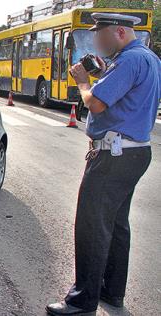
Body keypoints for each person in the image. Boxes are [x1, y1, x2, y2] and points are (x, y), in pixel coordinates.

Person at [46, 13, 161, 315]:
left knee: (92, 227)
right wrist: (99, 77)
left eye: (101, 35)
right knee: (116, 225)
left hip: (113, 156)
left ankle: (82, 302)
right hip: (133, 153)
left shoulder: (128, 61)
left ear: (119, 32)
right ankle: (112, 292)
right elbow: (125, 95)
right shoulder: (146, 58)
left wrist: (84, 82)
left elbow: (95, 103)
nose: (97, 41)